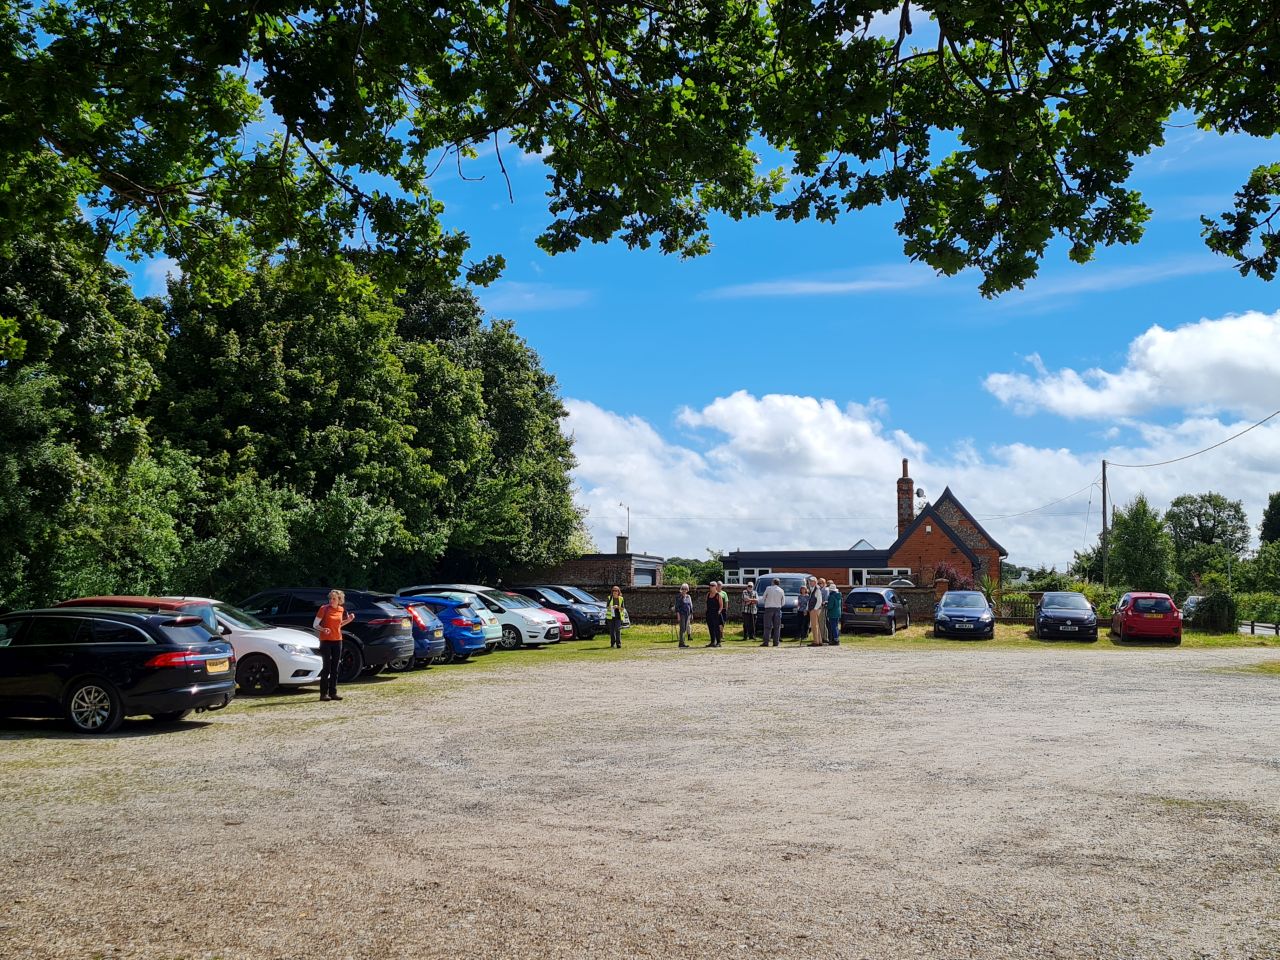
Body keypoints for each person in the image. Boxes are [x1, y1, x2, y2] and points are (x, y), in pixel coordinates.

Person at [313, 589, 355, 702]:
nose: (331, 600)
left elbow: (339, 625)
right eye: (330, 598)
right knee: (326, 667)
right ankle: (323, 694)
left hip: (337, 640)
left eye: (334, 598)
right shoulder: (324, 608)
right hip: (325, 640)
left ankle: (333, 693)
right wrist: (323, 629)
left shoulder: (341, 609)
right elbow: (315, 624)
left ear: (339, 600)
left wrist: (349, 620)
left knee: (335, 668)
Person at [760, 578, 785, 646]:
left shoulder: (768, 588)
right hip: (777, 609)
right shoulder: (781, 590)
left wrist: (766, 602)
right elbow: (783, 602)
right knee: (777, 627)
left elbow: (763, 598)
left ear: (773, 582)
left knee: (767, 626)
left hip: (768, 608)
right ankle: (776, 642)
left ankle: (766, 642)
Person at [705, 582, 725, 647]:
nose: (711, 586)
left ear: (715, 586)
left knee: (716, 628)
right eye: (710, 585)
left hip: (716, 613)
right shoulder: (708, 594)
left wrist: (719, 612)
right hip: (709, 613)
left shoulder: (718, 595)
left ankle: (718, 642)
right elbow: (706, 603)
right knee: (710, 628)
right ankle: (712, 642)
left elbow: (721, 605)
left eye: (712, 585)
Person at [674, 583, 694, 648]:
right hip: (681, 614)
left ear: (687, 589)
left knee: (685, 628)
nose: (684, 590)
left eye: (685, 589)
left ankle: (683, 642)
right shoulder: (678, 597)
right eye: (683, 589)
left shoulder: (688, 597)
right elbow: (677, 607)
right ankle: (681, 643)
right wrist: (678, 615)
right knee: (682, 628)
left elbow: (690, 606)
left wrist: (691, 614)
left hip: (687, 614)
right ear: (681, 589)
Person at [807, 577, 824, 647]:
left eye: (811, 581)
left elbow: (819, 600)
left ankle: (816, 641)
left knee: (814, 626)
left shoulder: (817, 590)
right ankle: (819, 641)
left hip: (815, 609)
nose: (810, 583)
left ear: (815, 582)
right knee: (816, 626)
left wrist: (815, 609)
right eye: (810, 581)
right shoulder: (813, 589)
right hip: (814, 609)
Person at [816, 577, 830, 645]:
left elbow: (826, 599)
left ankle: (825, 638)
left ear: (824, 583)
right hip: (817, 608)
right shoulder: (819, 589)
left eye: (820, 583)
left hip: (823, 608)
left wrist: (823, 602)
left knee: (822, 623)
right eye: (818, 583)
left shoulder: (826, 590)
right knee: (819, 623)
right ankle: (820, 637)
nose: (818, 584)